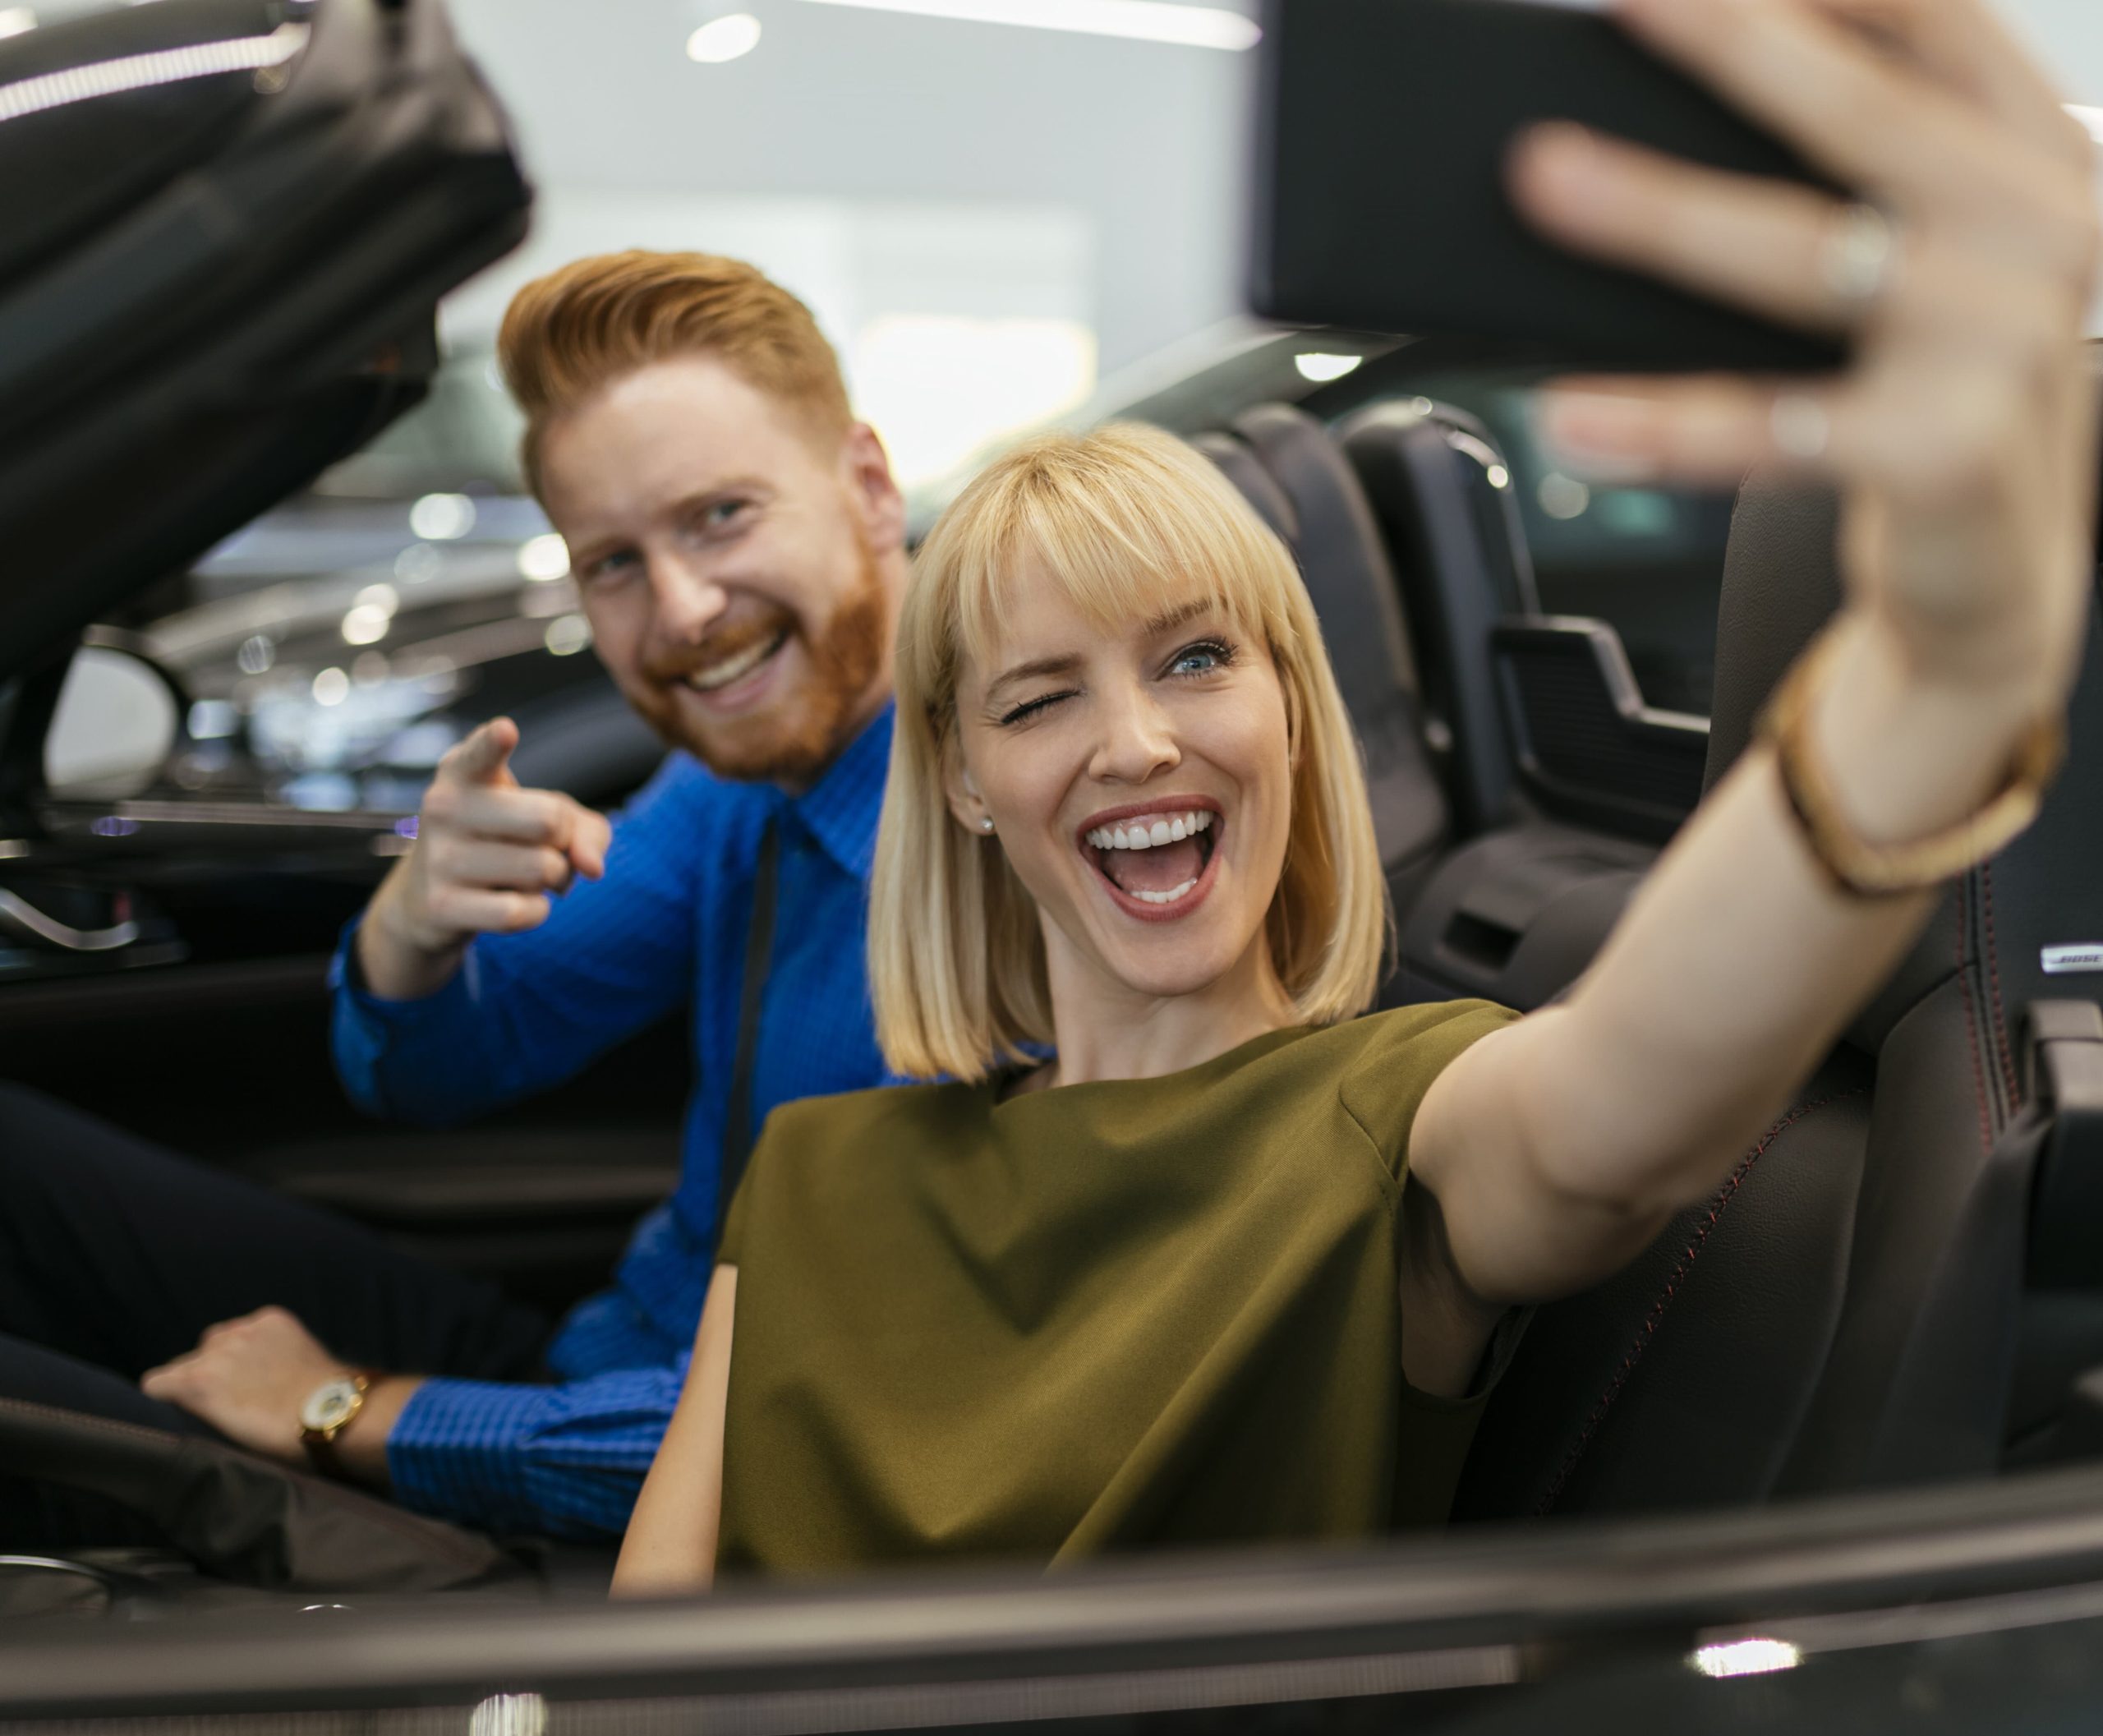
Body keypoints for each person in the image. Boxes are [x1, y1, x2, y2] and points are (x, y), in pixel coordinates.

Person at [611, 0, 2101, 1590]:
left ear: (1293, 711)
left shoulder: (1403, 1118)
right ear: (968, 783)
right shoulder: (818, 1173)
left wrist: (1938, 669)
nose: (1133, 746)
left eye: (1193, 661)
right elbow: (648, 1662)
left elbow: (1636, 1103)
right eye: (1042, 699)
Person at [0, 251, 909, 1547]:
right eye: (613, 563)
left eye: (720, 516)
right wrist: (412, 927)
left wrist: (347, 1407)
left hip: (654, 1512)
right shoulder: (748, 781)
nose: (684, 611)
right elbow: (435, 1074)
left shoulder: (1025, 853)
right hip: (586, 1376)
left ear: (868, 487)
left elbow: (819, 1434)